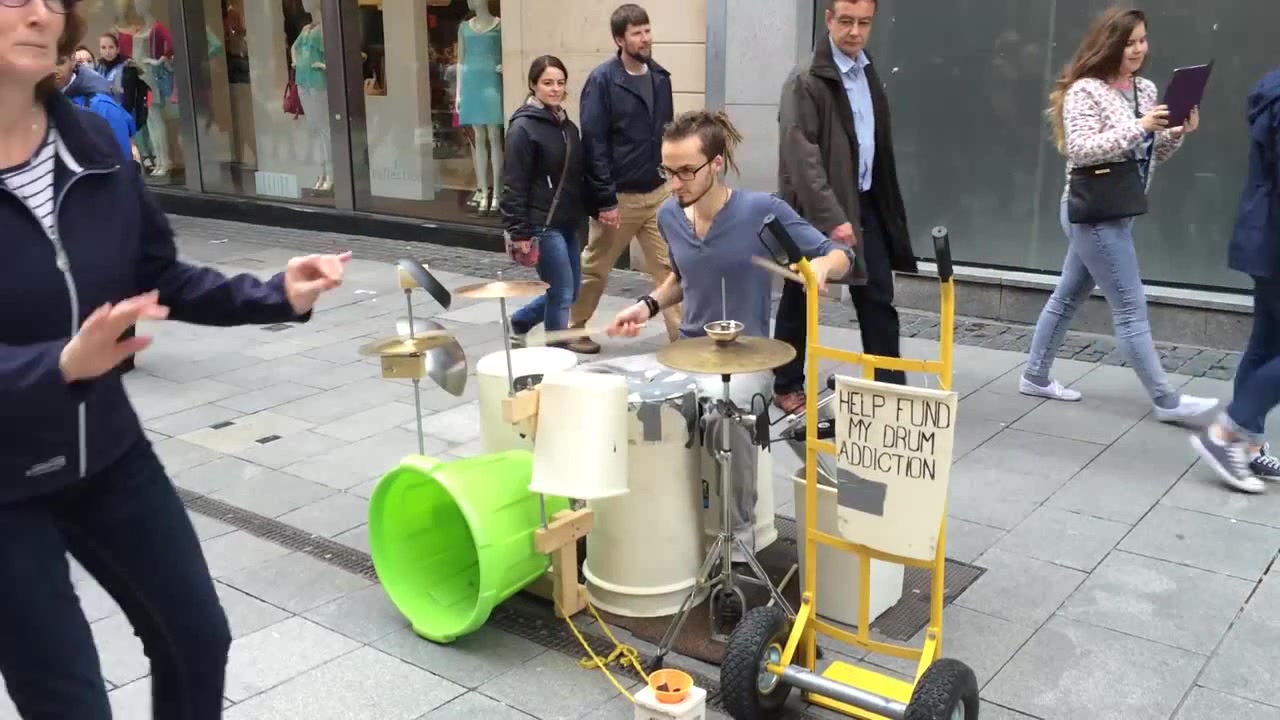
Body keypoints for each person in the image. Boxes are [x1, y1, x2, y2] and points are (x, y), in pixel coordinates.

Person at [0, 1, 351, 717]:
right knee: (66, 698)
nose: (39, 12)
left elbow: (160, 275)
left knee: (196, 639)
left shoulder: (93, 143)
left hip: (106, 448)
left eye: (49, 0)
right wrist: (61, 364)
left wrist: (275, 293)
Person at [608, 110, 852, 559]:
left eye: (686, 171)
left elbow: (839, 254)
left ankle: (736, 539)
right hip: (690, 355)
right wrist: (645, 306)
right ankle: (645, 531)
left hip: (751, 360)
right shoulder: (669, 216)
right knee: (611, 396)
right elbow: (683, 277)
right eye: (668, 170)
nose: (676, 182)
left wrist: (821, 266)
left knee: (723, 412)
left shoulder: (762, 212)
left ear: (716, 164)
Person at [1019, 7, 1217, 422]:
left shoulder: (1144, 89)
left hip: (1121, 207)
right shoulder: (1085, 92)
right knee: (1130, 304)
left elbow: (1151, 154)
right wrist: (1141, 126)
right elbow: (1082, 149)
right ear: (1110, 44)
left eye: (1143, 40)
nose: (1138, 49)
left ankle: (1035, 376)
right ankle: (1167, 400)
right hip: (1091, 210)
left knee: (1069, 293)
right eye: (1130, 43)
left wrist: (1176, 133)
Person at [774, 0, 916, 414]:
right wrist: (833, 218)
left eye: (864, 23)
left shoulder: (867, 70)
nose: (855, 32)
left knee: (878, 299)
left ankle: (888, 390)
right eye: (847, 22)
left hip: (866, 201)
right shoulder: (805, 81)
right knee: (802, 295)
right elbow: (802, 158)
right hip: (818, 211)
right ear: (829, 19)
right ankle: (786, 384)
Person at [568, 3, 679, 354]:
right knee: (596, 267)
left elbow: (668, 135)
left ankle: (686, 341)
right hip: (620, 196)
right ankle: (574, 327)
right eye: (637, 33)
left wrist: (673, 181)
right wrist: (605, 199)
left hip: (658, 192)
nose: (645, 38)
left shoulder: (660, 77)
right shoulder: (603, 81)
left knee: (670, 269)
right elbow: (595, 143)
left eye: (647, 30)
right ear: (620, 39)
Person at [1192, 66, 1280, 492]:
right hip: (1273, 239)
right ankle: (1229, 432)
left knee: (1266, 342)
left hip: (1266, 238)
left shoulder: (1273, 89)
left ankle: (1248, 443)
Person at [500, 55, 598, 345]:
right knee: (561, 291)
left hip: (568, 221)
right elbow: (513, 183)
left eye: (560, 82)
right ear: (533, 85)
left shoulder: (567, 127)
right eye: (547, 83)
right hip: (541, 223)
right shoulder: (523, 128)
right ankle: (557, 352)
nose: (555, 89)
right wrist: (519, 231)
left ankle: (520, 321)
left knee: (571, 292)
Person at [53, 52, 134, 159]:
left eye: (59, 62)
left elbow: (120, 165)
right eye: (45, 62)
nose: (52, 70)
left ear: (73, 60)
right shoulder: (35, 106)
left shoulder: (101, 106)